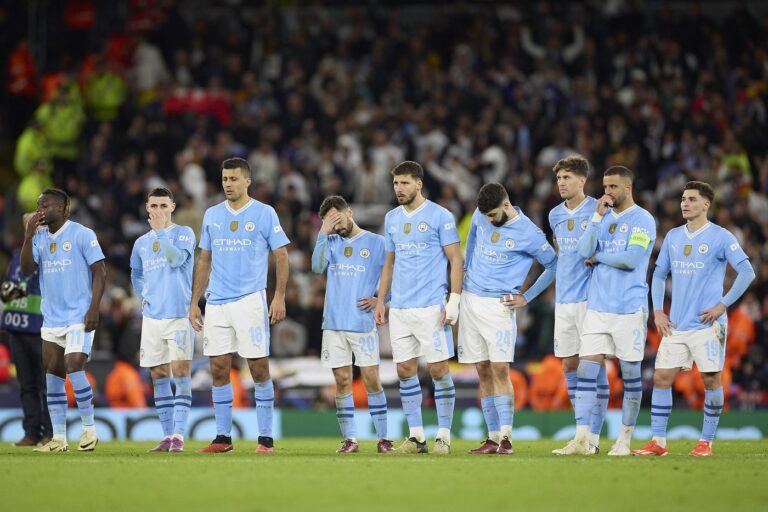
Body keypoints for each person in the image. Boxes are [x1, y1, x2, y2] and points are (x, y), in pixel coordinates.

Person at [632, 182, 755, 457]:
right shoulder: (673, 236)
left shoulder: (721, 236)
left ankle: (706, 442)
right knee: (662, 377)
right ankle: (658, 442)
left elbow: (747, 272)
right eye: (683, 199)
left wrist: (723, 305)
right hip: (676, 324)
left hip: (707, 324)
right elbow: (659, 274)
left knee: (711, 380)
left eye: (691, 199)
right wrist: (658, 310)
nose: (684, 204)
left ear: (706, 204)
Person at [190, 157, 290, 453]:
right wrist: (195, 302)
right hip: (217, 302)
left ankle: (266, 439)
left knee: (258, 367)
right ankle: (223, 438)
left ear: (247, 181)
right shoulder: (212, 214)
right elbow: (204, 259)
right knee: (219, 368)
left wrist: (279, 296)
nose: (228, 184)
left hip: (250, 300)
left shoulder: (264, 213)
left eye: (233, 179)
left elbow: (281, 255)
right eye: (224, 179)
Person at [556, 166, 656, 456]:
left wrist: (600, 257)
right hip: (597, 308)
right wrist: (597, 218)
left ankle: (624, 439)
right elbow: (583, 251)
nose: (607, 192)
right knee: (586, 371)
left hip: (629, 308)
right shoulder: (602, 217)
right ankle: (583, 439)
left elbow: (631, 259)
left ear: (628, 188)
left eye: (613, 186)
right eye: (605, 186)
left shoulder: (642, 220)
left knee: (630, 375)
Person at [373, 161, 463, 454]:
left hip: (431, 306)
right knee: (404, 370)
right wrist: (381, 300)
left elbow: (455, 259)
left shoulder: (440, 215)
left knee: (438, 369)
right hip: (400, 307)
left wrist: (454, 299)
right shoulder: (392, 218)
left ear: (419, 184)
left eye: (404, 183)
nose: (398, 189)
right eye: (396, 183)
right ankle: (416, 437)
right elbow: (389, 263)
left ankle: (444, 436)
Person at [461, 183, 557, 455]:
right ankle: (492, 438)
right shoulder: (481, 215)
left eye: (493, 215)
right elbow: (472, 237)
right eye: (486, 216)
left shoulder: (529, 233)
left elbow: (553, 265)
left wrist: (527, 296)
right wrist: (467, 270)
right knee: (482, 370)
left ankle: (506, 437)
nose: (489, 220)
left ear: (506, 205)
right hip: (470, 300)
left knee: (500, 369)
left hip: (499, 305)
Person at [20, 189, 106, 452]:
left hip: (79, 315)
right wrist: (28, 236)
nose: (39, 210)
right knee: (53, 374)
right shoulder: (39, 237)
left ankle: (89, 430)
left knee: (74, 364)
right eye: (38, 206)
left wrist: (94, 308)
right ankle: (58, 439)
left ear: (61, 208)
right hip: (51, 318)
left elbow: (100, 271)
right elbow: (26, 270)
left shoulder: (82, 234)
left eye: (44, 205)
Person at [311, 195, 392, 453]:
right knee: (342, 380)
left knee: (372, 379)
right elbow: (316, 267)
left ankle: (383, 439)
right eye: (329, 222)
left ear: (349, 211)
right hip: (333, 323)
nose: (335, 225)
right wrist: (322, 233)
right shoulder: (330, 242)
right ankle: (350, 440)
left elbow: (394, 275)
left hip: (362, 323)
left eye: (337, 218)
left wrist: (381, 299)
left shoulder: (377, 243)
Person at [547, 156, 607, 455]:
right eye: (559, 178)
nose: (561, 183)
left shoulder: (600, 209)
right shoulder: (554, 215)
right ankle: (580, 433)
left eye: (567, 177)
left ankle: (591, 437)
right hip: (564, 300)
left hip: (591, 300)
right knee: (570, 365)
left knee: (594, 366)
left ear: (583, 180)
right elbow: (561, 255)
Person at [130, 187, 196, 452]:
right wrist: (143, 296)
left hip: (179, 314)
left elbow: (176, 259)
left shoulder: (184, 233)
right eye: (154, 206)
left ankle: (179, 435)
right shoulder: (140, 243)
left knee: (180, 373)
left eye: (163, 206)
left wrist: (159, 232)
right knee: (158, 374)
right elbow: (136, 273)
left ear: (172, 207)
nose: (158, 210)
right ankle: (167, 436)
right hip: (152, 318)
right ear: (147, 208)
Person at [1, 213, 52, 446]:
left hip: (41, 330)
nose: (34, 229)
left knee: (46, 385)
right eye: (30, 226)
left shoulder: (50, 256)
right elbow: (10, 289)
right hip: (17, 329)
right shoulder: (18, 257)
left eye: (39, 225)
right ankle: (31, 433)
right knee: (27, 385)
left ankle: (50, 433)